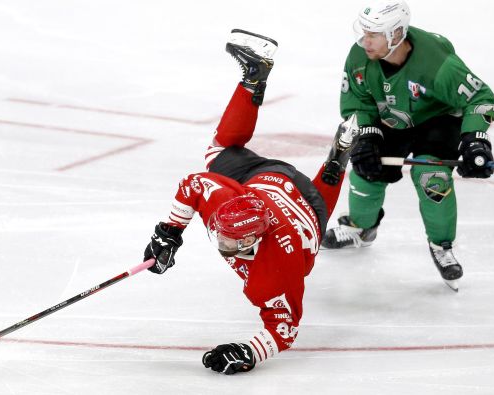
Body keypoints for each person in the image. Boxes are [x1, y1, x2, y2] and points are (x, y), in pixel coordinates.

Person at [142, 29, 356, 374]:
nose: (221, 241)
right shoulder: (227, 205)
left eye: (229, 240)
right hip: (267, 183)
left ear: (253, 239)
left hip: (299, 203)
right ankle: (255, 78)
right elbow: (193, 185)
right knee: (217, 154)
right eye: (220, 233)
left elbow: (283, 331)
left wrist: (248, 352)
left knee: (314, 222)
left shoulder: (275, 270)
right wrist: (168, 233)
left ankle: (335, 164)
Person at [321, 0, 494, 291]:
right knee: (367, 168)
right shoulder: (360, 56)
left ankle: (441, 244)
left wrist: (475, 140)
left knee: (432, 177)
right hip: (391, 120)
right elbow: (357, 101)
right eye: (364, 31)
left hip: (437, 122)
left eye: (374, 34)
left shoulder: (438, 64)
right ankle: (361, 227)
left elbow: (481, 99)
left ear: (396, 34)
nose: (365, 40)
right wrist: (366, 135)